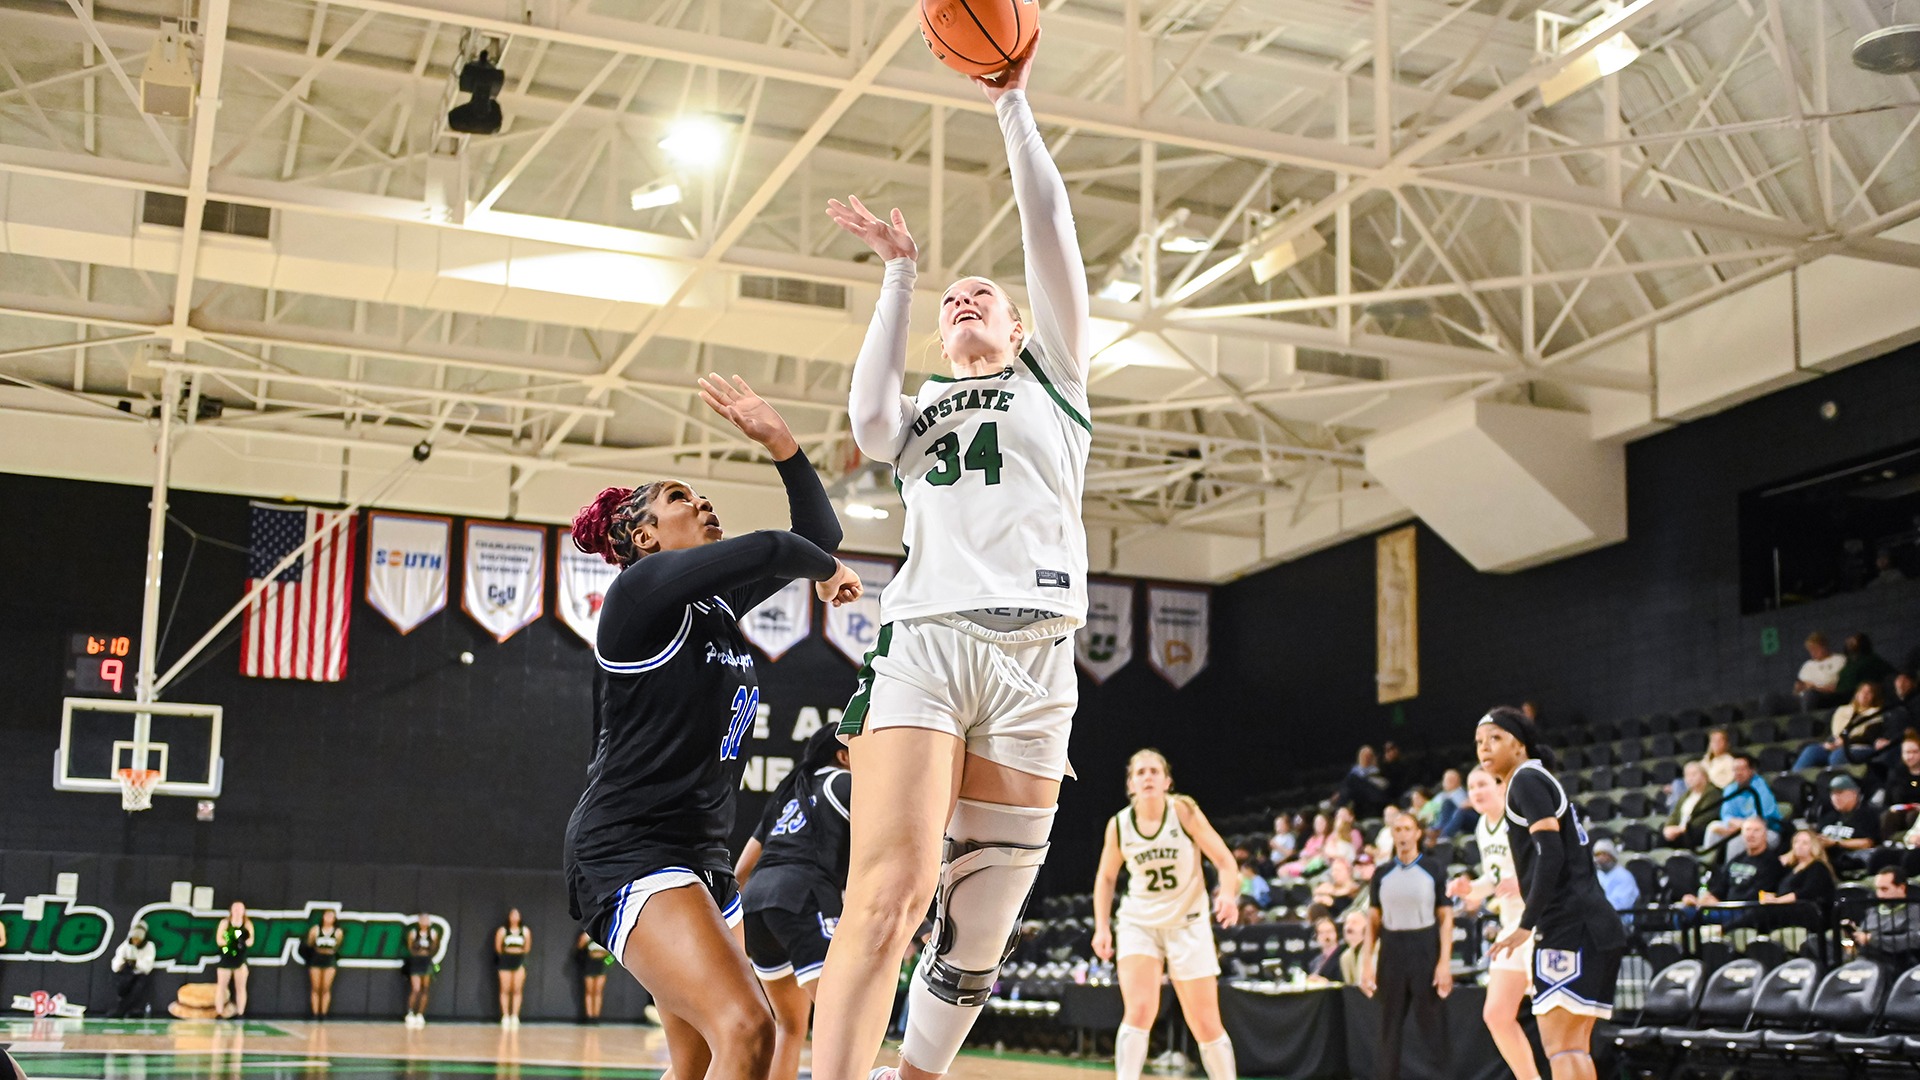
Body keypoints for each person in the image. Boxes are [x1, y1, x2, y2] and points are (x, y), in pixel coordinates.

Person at [811, 37, 1099, 1080]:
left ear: (1024, 329)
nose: (964, 301)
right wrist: (899, 277)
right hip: (927, 641)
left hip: (1038, 661)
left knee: (978, 928)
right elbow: (867, 414)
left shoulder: (1058, 380)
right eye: (952, 302)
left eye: (984, 295)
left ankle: (916, 1073)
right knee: (888, 891)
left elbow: (1049, 228)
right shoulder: (922, 406)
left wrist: (1013, 105)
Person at [563, 372, 858, 1080]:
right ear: (644, 536)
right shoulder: (637, 596)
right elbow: (774, 549)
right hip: (628, 851)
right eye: (679, 499)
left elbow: (811, 534)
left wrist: (783, 444)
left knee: (698, 1055)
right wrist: (825, 568)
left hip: (700, 858)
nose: (701, 502)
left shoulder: (714, 608)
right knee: (749, 1029)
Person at [1479, 706, 1627, 1080]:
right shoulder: (1536, 779)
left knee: (1561, 1048)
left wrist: (1526, 923)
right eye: (1479, 742)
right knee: (1573, 1047)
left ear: (1519, 744)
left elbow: (1551, 852)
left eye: (1495, 738)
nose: (1485, 748)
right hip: (1591, 923)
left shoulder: (1525, 780)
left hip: (1567, 926)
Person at [1091, 750, 1241, 1080]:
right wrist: (1102, 927)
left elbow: (1226, 863)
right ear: (1130, 783)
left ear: (1167, 781)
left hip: (1187, 920)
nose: (1147, 777)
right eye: (1140, 772)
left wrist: (1228, 894)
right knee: (1140, 1010)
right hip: (1138, 921)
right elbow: (1105, 878)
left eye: (1154, 771)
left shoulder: (1183, 811)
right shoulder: (1119, 824)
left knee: (1205, 1021)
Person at [737, 726, 856, 1080]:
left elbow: (742, 868)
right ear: (843, 756)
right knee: (843, 1017)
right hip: (802, 895)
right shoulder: (844, 784)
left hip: (757, 902)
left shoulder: (789, 796)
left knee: (789, 1024)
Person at [1445, 765, 1534, 1080]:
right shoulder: (1483, 826)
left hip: (1539, 924)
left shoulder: (1520, 817)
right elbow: (1494, 878)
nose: (1476, 792)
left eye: (1482, 784)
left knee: (1553, 1020)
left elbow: (1549, 865)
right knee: (1496, 1014)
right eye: (1471, 788)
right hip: (1511, 926)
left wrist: (1522, 882)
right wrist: (1470, 888)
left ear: (1500, 786)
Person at [1359, 811, 1453, 1080]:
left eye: (1407, 829)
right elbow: (1373, 921)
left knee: (1433, 1026)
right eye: (1397, 830)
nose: (1402, 835)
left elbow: (1446, 918)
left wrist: (1444, 962)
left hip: (1424, 947)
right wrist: (1367, 963)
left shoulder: (1433, 868)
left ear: (1417, 833)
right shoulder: (1381, 873)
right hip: (1391, 950)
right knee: (1388, 1027)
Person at [1683, 818, 1785, 908]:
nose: (1751, 834)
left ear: (1765, 835)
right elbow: (1721, 885)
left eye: (1756, 830)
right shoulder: (1737, 859)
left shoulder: (1772, 863)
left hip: (1747, 912)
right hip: (1724, 908)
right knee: (1683, 914)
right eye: (1747, 830)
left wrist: (1722, 904)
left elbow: (1758, 895)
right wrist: (1707, 899)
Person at [1793, 682, 1888, 769]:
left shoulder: (1876, 714)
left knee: (1838, 756)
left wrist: (1845, 742)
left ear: (1875, 696)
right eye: (1862, 691)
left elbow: (1869, 737)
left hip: (1859, 746)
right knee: (1812, 751)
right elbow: (1834, 734)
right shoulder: (1843, 710)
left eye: (1869, 693)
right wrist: (1831, 743)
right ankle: (1791, 781)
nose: (1864, 695)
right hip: (1837, 744)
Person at [1701, 755, 1783, 855]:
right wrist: (1733, 825)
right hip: (1738, 828)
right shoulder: (1731, 788)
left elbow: (1761, 818)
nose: (1738, 773)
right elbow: (1726, 815)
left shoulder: (1761, 787)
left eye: (1742, 769)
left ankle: (1731, 870)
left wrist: (1743, 827)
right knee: (1713, 827)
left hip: (1766, 831)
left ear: (1751, 770)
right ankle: (1706, 867)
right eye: (1735, 769)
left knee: (1737, 840)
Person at [1849, 870, 1919, 968]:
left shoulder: (1915, 910)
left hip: (1897, 963)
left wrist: (1872, 939)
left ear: (1901, 888)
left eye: (1884, 889)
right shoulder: (1872, 911)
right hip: (1866, 960)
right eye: (1877, 889)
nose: (1880, 895)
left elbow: (1914, 940)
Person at [1812, 774, 1880, 875]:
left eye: (1840, 793)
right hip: (1826, 857)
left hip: (1851, 859)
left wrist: (1836, 843)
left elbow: (1867, 843)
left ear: (1854, 793)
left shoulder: (1866, 814)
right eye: (1833, 794)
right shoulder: (1828, 816)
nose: (1835, 798)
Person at [1766, 829, 1836, 925]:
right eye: (1796, 842)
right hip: (1787, 911)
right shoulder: (1791, 868)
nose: (1799, 846)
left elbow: (1807, 892)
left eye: (1805, 843)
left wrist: (1778, 901)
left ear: (1813, 846)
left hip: (1809, 914)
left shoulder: (1818, 867)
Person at [1662, 761, 1723, 851]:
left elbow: (1705, 816)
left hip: (1697, 831)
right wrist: (1669, 827)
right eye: (1687, 775)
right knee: (1663, 832)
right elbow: (1674, 814)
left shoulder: (1713, 793)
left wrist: (1682, 829)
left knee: (1688, 834)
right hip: (1681, 830)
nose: (1690, 778)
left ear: (1704, 776)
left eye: (1693, 774)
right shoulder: (1686, 795)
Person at [107, 921, 157, 1018]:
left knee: (137, 989)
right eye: (134, 939)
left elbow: (147, 967)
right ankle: (122, 1009)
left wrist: (136, 963)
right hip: (126, 974)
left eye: (138, 939)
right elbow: (115, 964)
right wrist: (124, 963)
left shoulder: (149, 946)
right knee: (121, 986)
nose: (135, 941)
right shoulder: (125, 946)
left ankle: (129, 1010)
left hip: (140, 975)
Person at [213, 901, 254, 1019]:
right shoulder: (225, 923)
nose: (237, 911)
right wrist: (232, 942)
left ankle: (241, 1012)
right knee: (221, 986)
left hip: (240, 959)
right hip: (226, 957)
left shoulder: (247, 924)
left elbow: (250, 941)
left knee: (240, 987)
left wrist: (241, 942)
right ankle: (219, 1012)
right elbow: (219, 940)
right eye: (235, 909)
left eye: (240, 909)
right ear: (231, 910)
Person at [404, 912, 442, 1027]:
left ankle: (420, 1014)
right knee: (416, 988)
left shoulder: (433, 933)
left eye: (426, 919)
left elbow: (435, 947)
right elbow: (410, 947)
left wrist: (427, 953)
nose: (425, 921)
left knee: (425, 989)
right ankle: (410, 1012)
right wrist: (418, 953)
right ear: (419, 921)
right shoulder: (413, 933)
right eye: (423, 919)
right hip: (416, 963)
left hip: (427, 963)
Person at [1879, 729, 1920, 838]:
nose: (1910, 756)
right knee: (1888, 816)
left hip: (1917, 815)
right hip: (1900, 812)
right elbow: (1887, 802)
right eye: (1907, 752)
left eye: (1914, 752)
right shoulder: (1896, 773)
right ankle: (1888, 845)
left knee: (1912, 816)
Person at [495, 909, 531, 1028]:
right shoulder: (503, 931)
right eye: (512, 914)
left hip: (519, 960)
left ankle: (515, 1016)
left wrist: (518, 953)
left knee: (517, 989)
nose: (514, 917)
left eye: (517, 914)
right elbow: (498, 947)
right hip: (505, 960)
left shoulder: (525, 931)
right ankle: (505, 1016)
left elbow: (527, 948)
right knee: (505, 988)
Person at [304, 909, 342, 1019]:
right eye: (327, 915)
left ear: (335, 919)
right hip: (316, 958)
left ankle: (324, 1014)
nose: (329, 918)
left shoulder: (338, 932)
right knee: (316, 987)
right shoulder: (315, 930)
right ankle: (315, 1014)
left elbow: (338, 944)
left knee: (326, 987)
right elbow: (310, 943)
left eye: (331, 916)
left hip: (329, 959)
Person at [1836, 632, 1896, 701]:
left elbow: (1890, 673)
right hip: (1841, 698)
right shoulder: (1849, 663)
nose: (1849, 643)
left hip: (1859, 697)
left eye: (1853, 641)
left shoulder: (1871, 659)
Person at [1795, 632, 1846, 710]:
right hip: (1803, 698)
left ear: (1824, 647)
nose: (1813, 653)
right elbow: (1797, 690)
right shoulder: (1807, 665)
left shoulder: (1839, 660)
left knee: (1810, 695)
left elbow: (1840, 688)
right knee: (1775, 701)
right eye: (1810, 650)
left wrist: (1815, 688)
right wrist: (1798, 687)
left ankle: (1808, 720)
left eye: (1815, 649)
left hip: (1827, 697)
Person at [1336, 746, 1392, 817]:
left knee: (1351, 781)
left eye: (1369, 756)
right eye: (1364, 756)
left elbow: (1385, 785)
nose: (1366, 758)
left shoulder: (1380, 771)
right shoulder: (1354, 773)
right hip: (1360, 800)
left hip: (1377, 799)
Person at [1590, 840, 1640, 913]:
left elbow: (1621, 905)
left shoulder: (1624, 876)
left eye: (1604, 854)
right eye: (1597, 854)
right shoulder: (1596, 875)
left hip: (1619, 918)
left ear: (1612, 856)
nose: (1600, 858)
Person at [577, 929, 613, 1022]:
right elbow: (579, 949)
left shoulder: (606, 935)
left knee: (598, 991)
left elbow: (612, 955)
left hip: (601, 964)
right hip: (590, 963)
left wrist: (606, 963)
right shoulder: (587, 935)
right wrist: (583, 940)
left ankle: (596, 1016)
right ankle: (589, 1016)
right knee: (589, 990)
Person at [1302, 918, 1344, 983]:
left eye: (1329, 931)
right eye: (1321, 933)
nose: (1325, 935)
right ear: (1316, 936)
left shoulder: (1343, 956)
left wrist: (1327, 982)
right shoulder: (1314, 962)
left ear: (1336, 933)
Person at [1433, 769, 1470, 837]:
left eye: (1451, 780)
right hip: (1439, 820)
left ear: (1458, 781)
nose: (1448, 782)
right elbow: (1429, 810)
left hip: (1461, 822)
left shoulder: (1461, 793)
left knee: (1455, 808)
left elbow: (1463, 807)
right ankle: (1437, 831)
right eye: (1446, 780)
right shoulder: (1440, 795)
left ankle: (1443, 836)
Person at [1338, 910, 1370, 985]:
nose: (1349, 926)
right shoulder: (1345, 957)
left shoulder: (1376, 950)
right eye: (1347, 923)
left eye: (1354, 922)